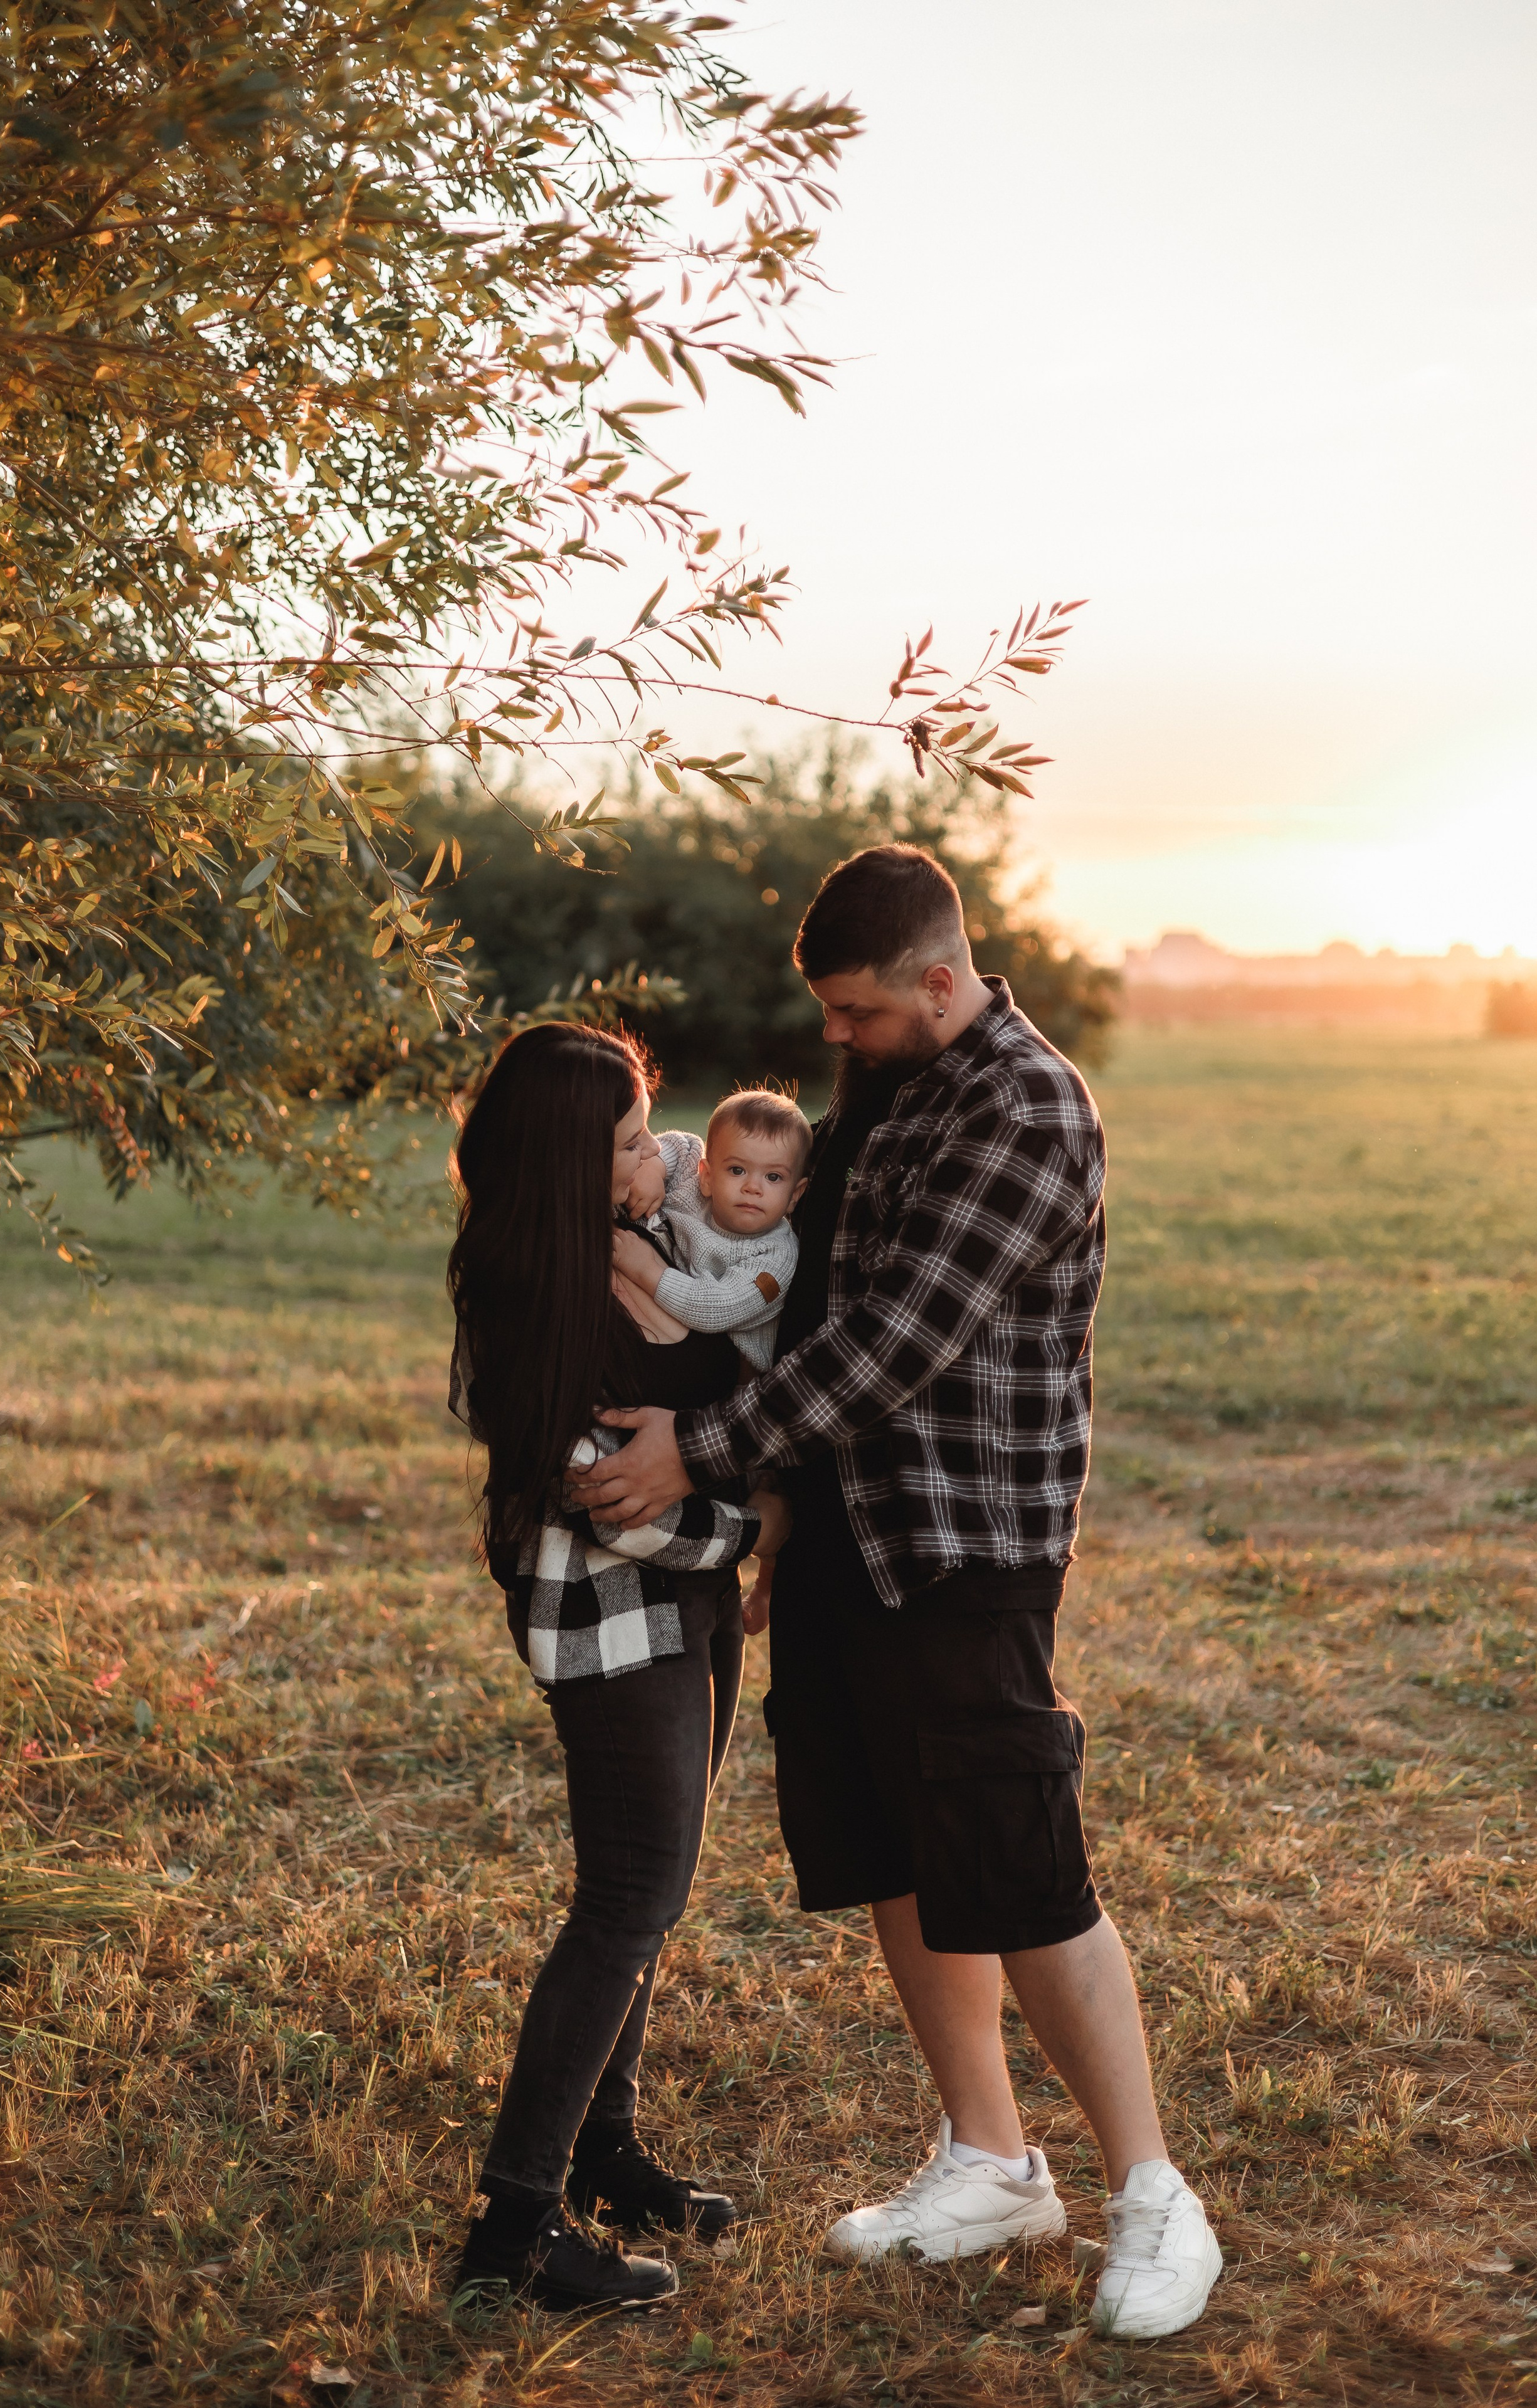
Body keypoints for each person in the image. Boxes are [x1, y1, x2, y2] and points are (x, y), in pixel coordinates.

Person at [571, 845, 1224, 2341]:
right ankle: (992, 2158)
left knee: (1019, 1856)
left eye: (856, 1012)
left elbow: (895, 1346)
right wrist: (781, 1499)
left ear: (939, 981)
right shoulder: (893, 1086)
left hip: (957, 1540)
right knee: (894, 1849)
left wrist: (707, 1454)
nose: (833, 1044)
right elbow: (802, 1289)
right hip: (843, 1537)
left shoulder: (1024, 1107)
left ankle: (1152, 2193)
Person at [448, 1020, 790, 2311]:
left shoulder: (631, 1244)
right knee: (625, 1903)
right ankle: (513, 2229)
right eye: (636, 1139)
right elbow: (617, 1505)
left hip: (686, 1612)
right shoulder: (548, 1299)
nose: (663, 1151)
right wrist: (755, 1531)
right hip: (615, 1622)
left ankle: (603, 2153)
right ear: (569, 1167)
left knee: (655, 1897)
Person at [613, 1089, 811, 1368]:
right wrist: (655, 1167)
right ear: (706, 1176)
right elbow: (686, 1146)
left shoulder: (775, 1258)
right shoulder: (693, 1189)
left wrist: (647, 1270)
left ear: (794, 1195)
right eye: (737, 1170)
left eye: (774, 1177)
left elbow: (717, 1307)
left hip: (726, 1380)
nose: (753, 1187)